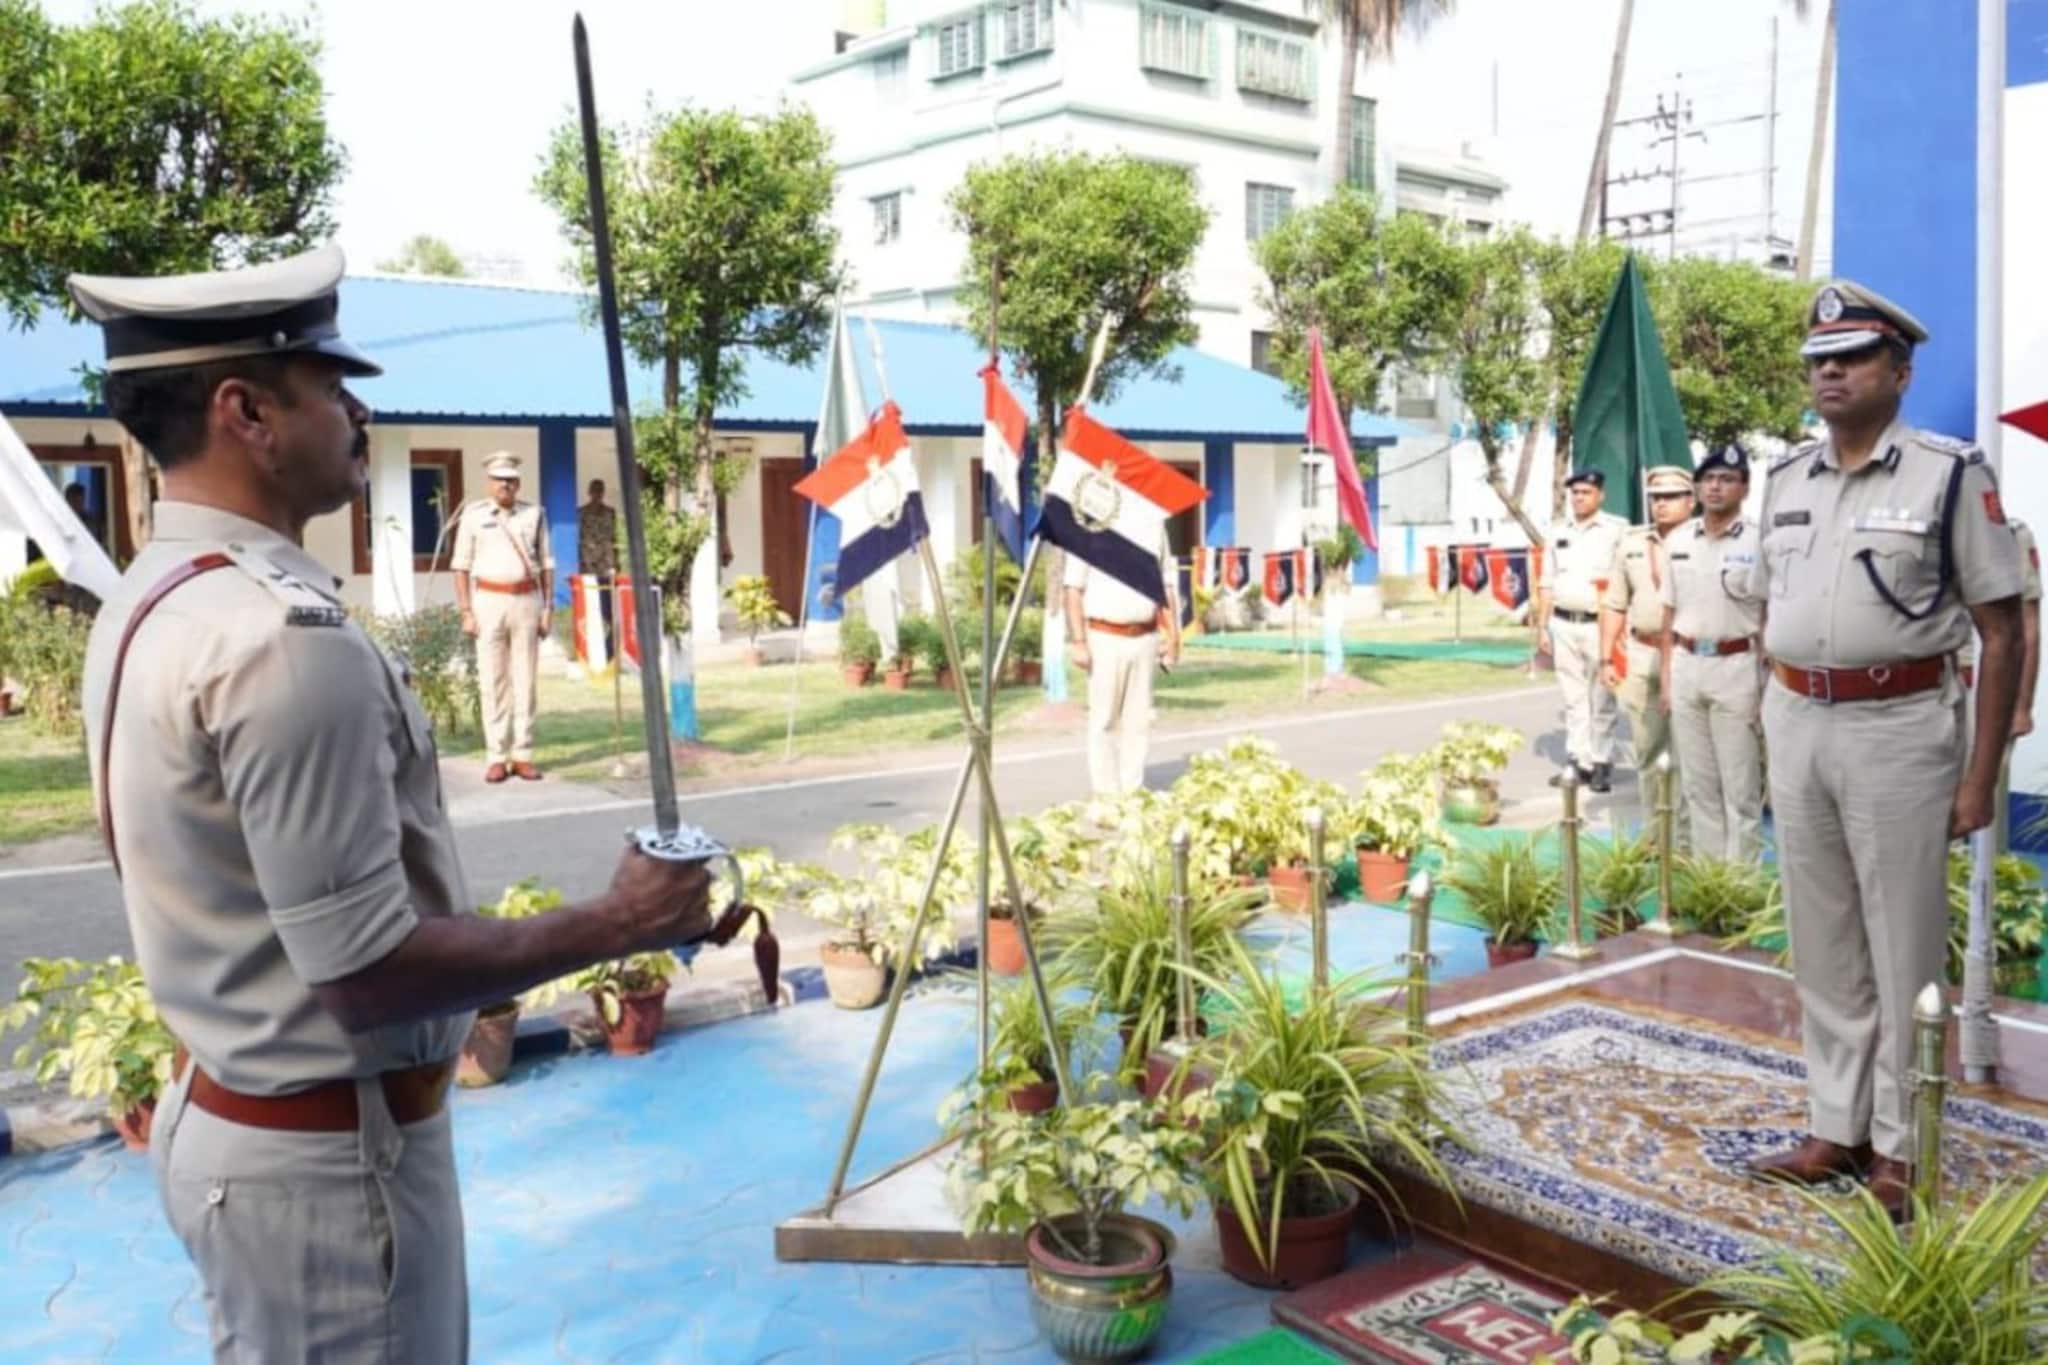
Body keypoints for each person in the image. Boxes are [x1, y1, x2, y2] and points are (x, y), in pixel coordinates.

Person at [70, 244, 716, 1362]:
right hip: (326, 1175)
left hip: (245, 1127)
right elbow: (366, 973)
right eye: (329, 385)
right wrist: (622, 922)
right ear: (247, 412)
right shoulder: (276, 639)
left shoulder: (155, 598)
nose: (357, 413)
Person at [1748, 281, 2022, 1222]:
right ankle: (1838, 1125)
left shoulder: (1950, 476)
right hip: (1797, 721)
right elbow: (1765, 615)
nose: (1830, 373)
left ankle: (1905, 1144)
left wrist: (1981, 773)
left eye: (1853, 358)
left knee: (1903, 947)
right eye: (1819, 361)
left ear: (1899, 373)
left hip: (1900, 727)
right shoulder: (1784, 479)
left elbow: (2003, 628)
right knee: (1821, 942)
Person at [1656, 446, 1767, 862]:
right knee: (1697, 785)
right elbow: (1668, 617)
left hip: (1738, 666)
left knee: (1740, 787)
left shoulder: (1759, 541)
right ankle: (1710, 882)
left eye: (1726, 479)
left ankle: (1741, 885)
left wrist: (1767, 685)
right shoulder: (1679, 540)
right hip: (1687, 665)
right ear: (1698, 488)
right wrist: (1667, 681)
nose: (1716, 487)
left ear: (1744, 487)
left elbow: (1769, 617)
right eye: (1708, 479)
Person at [452, 452, 555, 782]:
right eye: (499, 480)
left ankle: (522, 753)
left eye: (510, 480)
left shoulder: (535, 514)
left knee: (525, 678)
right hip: (488, 601)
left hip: (526, 600)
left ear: (518, 483)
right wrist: (466, 611)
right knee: (492, 680)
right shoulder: (473, 515)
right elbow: (461, 566)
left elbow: (547, 563)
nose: (505, 485)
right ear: (489, 483)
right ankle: (496, 755)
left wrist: (548, 608)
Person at [1600, 465, 1693, 816]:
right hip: (1643, 652)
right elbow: (1614, 602)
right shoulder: (1632, 543)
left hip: (1687, 655)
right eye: (1656, 498)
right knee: (1648, 749)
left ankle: (1684, 840)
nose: (1662, 504)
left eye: (1671, 497)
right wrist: (1607, 657)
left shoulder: (1700, 539)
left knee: (1687, 753)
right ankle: (1656, 833)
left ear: (1691, 500)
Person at [1065, 537, 1181, 797]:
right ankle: (1106, 795)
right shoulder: (1089, 527)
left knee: (1137, 721)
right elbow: (1073, 588)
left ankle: (1132, 790)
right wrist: (1079, 641)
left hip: (1145, 636)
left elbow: (1167, 586)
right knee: (1103, 719)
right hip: (1104, 636)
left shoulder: (1155, 529)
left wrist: (1173, 636)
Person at [1536, 469, 1627, 792]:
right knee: (1574, 697)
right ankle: (1579, 759)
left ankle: (1601, 760)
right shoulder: (1558, 531)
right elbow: (1547, 580)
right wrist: (1542, 626)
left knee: (1602, 696)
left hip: (1598, 625)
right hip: (1563, 622)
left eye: (1586, 492)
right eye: (1574, 493)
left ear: (1600, 496)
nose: (1579, 498)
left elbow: (1624, 580)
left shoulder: (1616, 530)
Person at [578, 477, 619, 659]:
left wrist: (615, 565)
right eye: (594, 490)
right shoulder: (581, 513)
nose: (597, 494)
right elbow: (578, 540)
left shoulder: (610, 513)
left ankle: (609, 648)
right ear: (589, 492)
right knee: (590, 606)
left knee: (607, 606)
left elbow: (614, 539)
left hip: (606, 565)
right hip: (588, 565)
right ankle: (591, 647)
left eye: (600, 490)